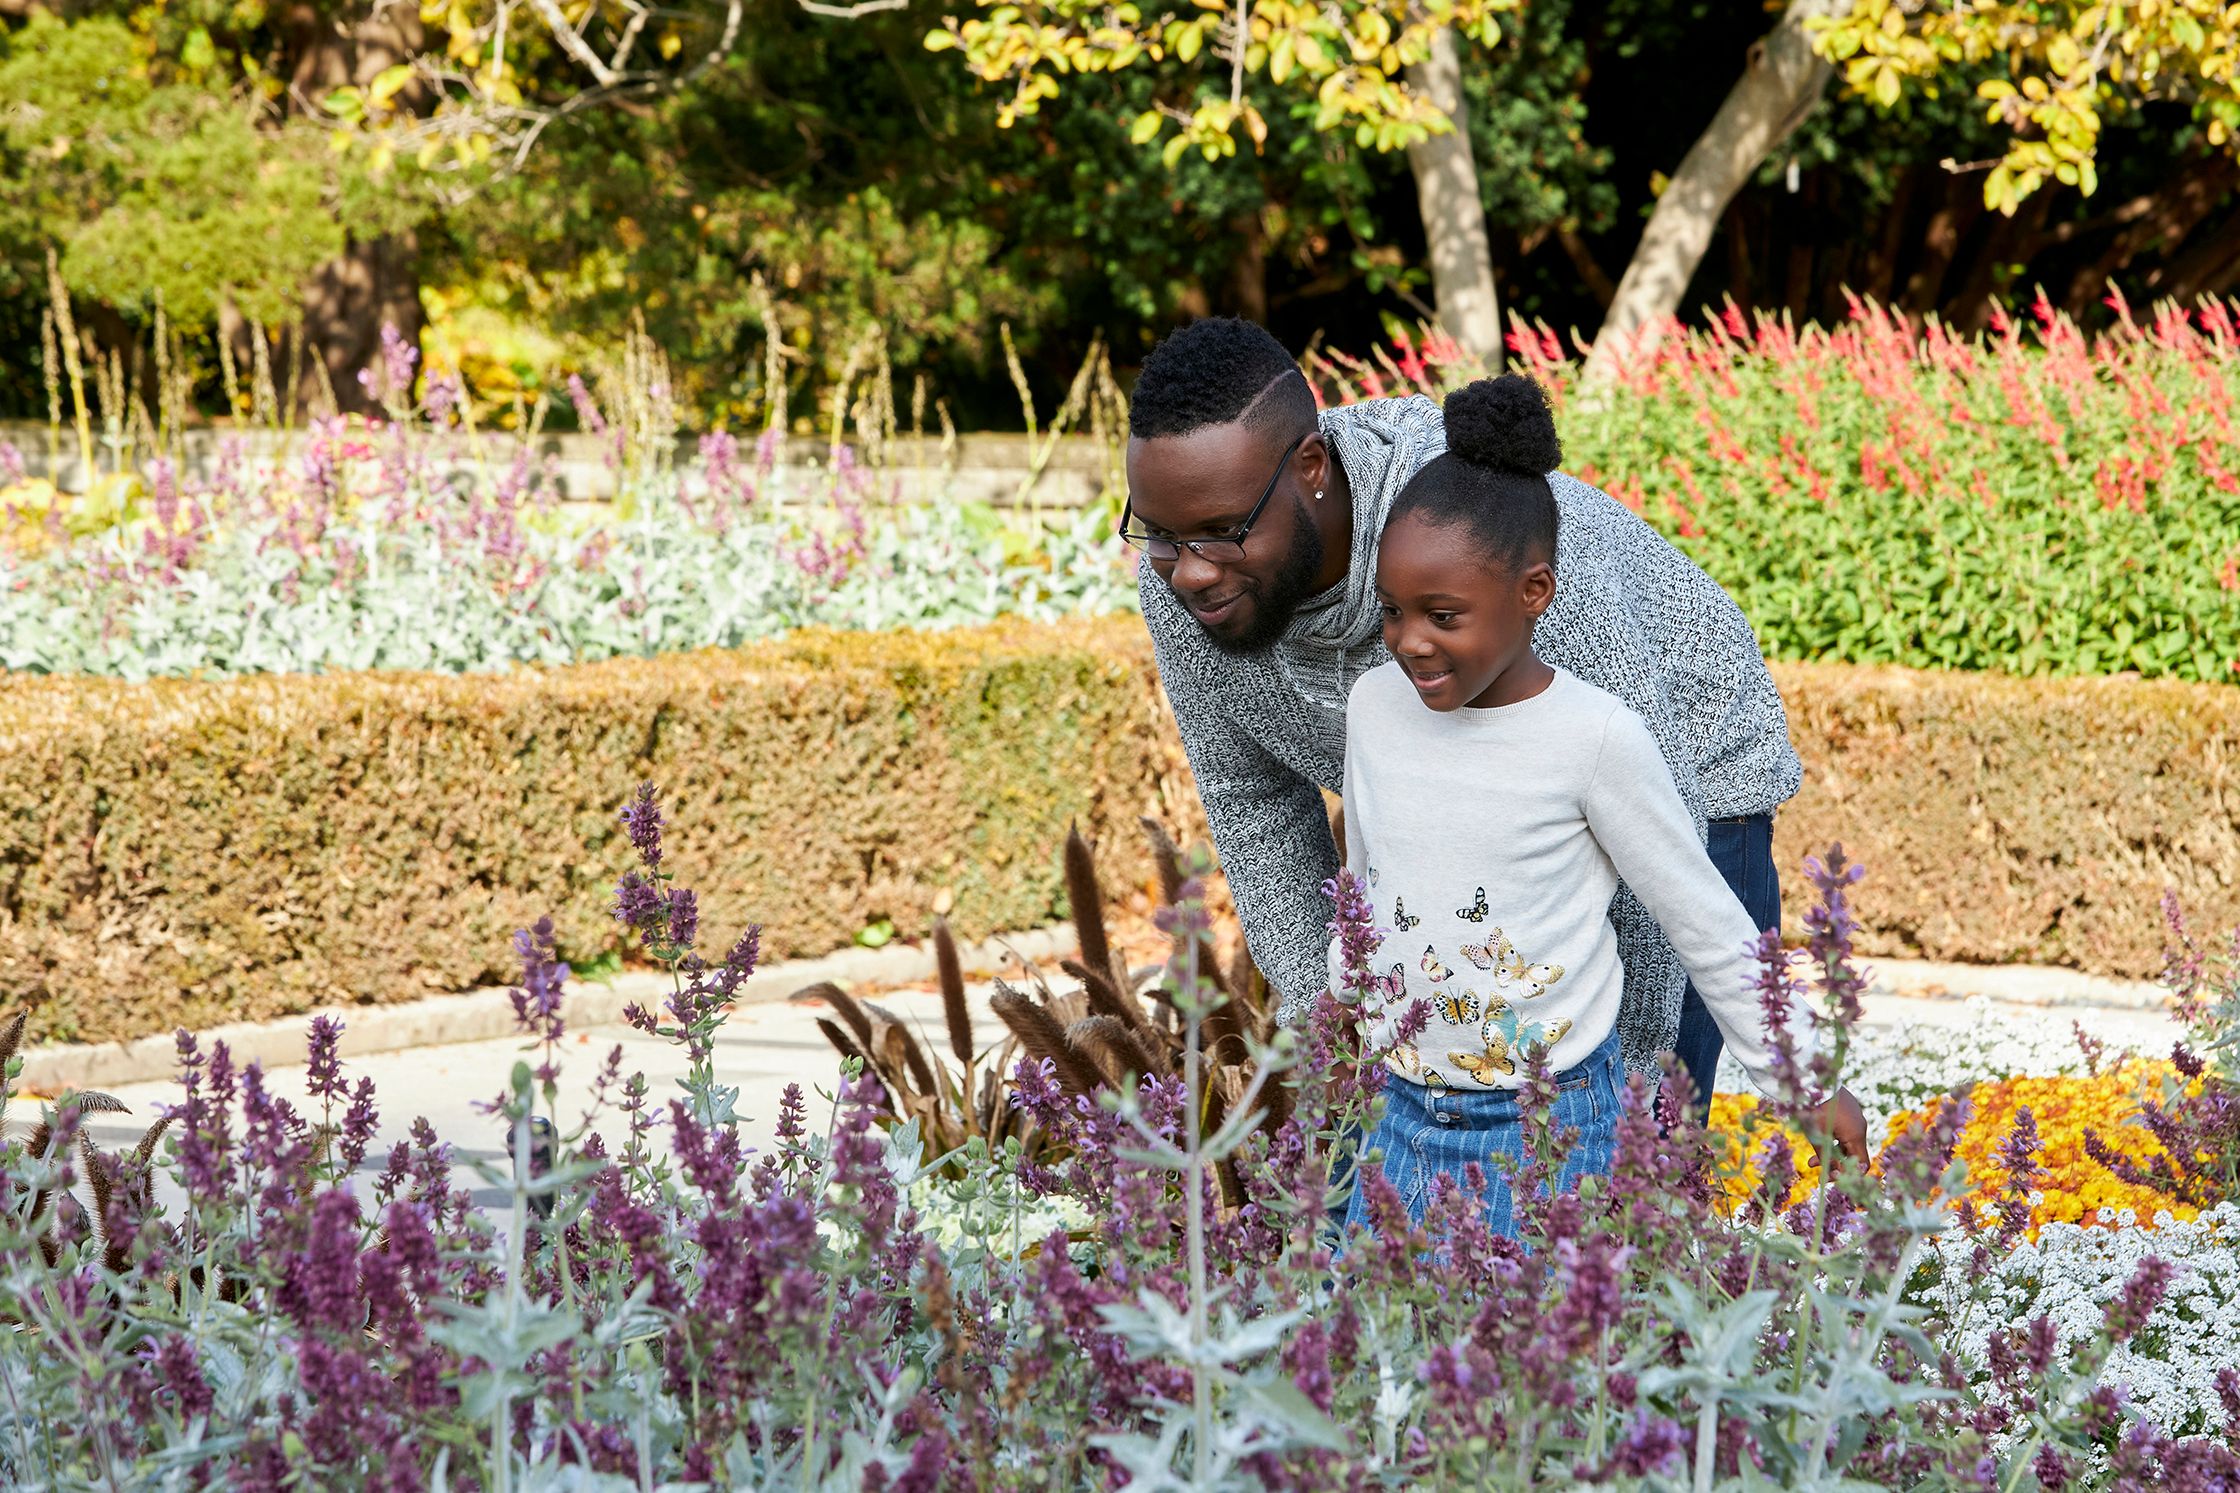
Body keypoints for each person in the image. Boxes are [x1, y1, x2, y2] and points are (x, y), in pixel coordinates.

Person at [1124, 317, 1801, 1108]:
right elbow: (1255, 803)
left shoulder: (1476, 536)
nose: (1191, 572)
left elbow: (1666, 865)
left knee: (1640, 1190)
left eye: (1221, 532)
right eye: (1162, 534)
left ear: (1311, 467)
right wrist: (1339, 1042)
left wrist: (1635, 1102)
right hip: (1472, 835)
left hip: (1686, 786)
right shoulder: (1176, 585)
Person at [1331, 374, 1868, 1234]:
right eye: (1392, 612)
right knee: (1374, 1353)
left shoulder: (1595, 737)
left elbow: (1704, 919)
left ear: (1534, 592)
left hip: (1553, 1124)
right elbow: (1362, 884)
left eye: (1443, 614)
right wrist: (1350, 1020)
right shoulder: (1373, 707)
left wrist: (1807, 1079)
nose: (1410, 642)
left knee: (1541, 1359)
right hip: (1401, 1111)